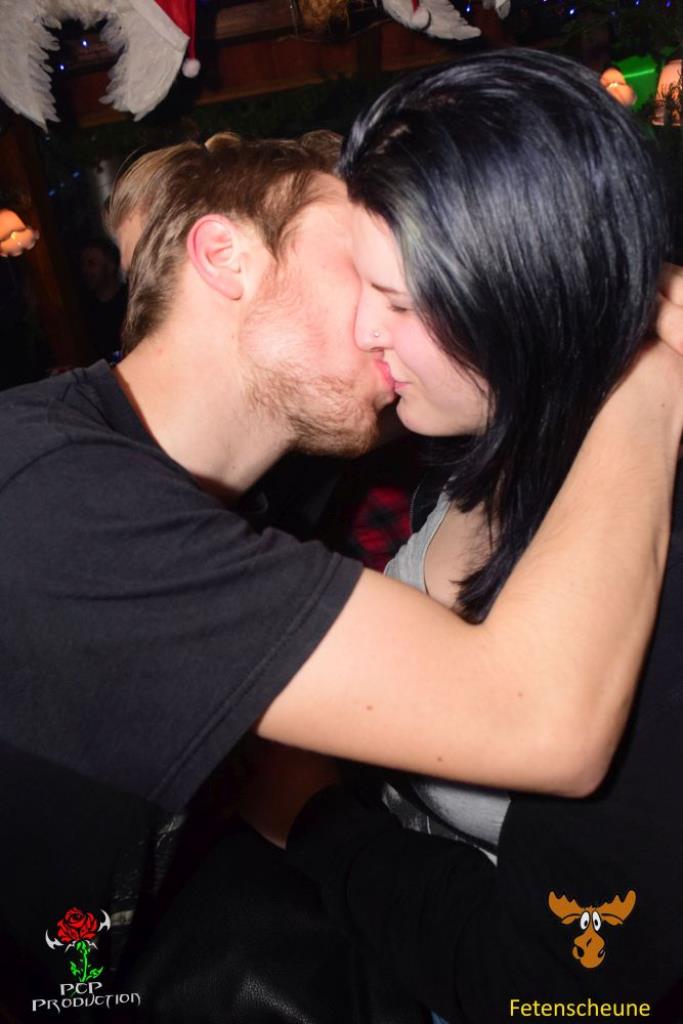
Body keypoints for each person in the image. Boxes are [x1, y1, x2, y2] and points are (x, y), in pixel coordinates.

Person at [1, 112, 682, 1016]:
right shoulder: (61, 491)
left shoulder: (206, 497)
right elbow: (535, 720)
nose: (390, 315)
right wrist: (647, 373)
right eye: (363, 272)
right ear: (225, 258)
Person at [240, 50, 683, 1022]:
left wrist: (314, 819)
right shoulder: (488, 438)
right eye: (363, 285)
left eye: (400, 302)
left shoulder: (652, 558)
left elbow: (558, 989)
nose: (363, 330)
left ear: (519, 295)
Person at [78, 237, 128, 362]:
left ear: (110, 267)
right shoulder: (84, 308)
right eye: (83, 264)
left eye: (91, 264)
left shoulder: (130, 301)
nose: (85, 270)